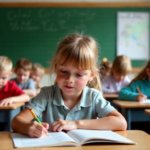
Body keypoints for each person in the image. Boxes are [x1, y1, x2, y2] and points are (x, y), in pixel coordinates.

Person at [11, 33, 127, 138]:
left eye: (79, 74)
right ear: (56, 68)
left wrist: (76, 124)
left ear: (91, 75)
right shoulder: (46, 94)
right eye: (64, 72)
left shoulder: (94, 97)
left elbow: (121, 123)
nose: (69, 80)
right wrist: (27, 128)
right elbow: (16, 121)